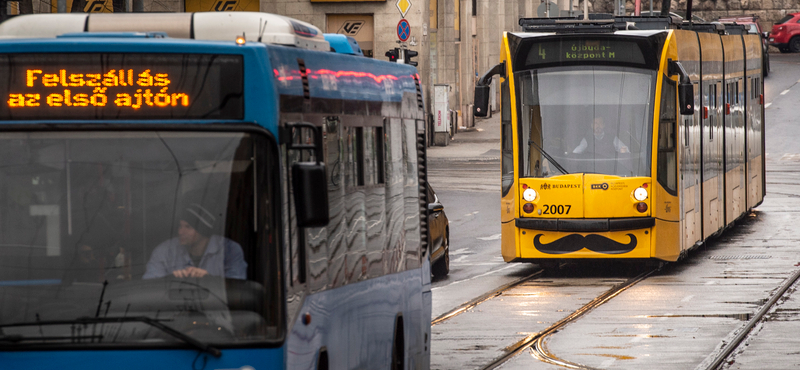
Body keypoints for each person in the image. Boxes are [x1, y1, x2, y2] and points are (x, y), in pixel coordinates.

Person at [143, 203, 247, 280]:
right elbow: (149, 284)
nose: (180, 231)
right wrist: (171, 280)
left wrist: (209, 279)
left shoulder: (229, 250)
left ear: (202, 230)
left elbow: (237, 286)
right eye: (180, 226)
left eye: (188, 227)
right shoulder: (165, 251)